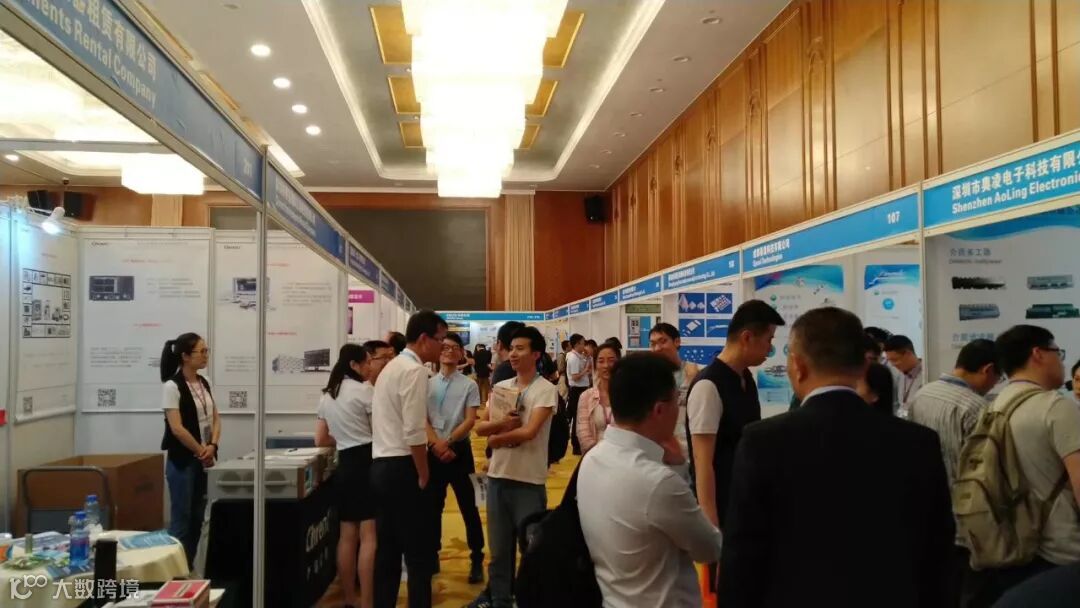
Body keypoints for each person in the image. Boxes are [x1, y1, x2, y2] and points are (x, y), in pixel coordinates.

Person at [720, 307, 954, 607]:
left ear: (798, 366)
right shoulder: (918, 443)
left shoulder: (762, 442)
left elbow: (742, 558)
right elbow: (938, 555)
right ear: (862, 366)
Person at [578, 353, 723, 607]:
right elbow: (709, 548)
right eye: (677, 401)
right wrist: (680, 468)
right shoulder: (658, 481)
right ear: (659, 410)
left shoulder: (592, 460)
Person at [962, 325, 1080, 607]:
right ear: (1038, 354)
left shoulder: (992, 407)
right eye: (1058, 353)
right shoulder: (1056, 407)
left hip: (1010, 547)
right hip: (1060, 552)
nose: (1061, 362)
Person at [467, 326, 557, 608]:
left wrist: (497, 438)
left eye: (521, 349)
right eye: (512, 348)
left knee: (530, 550)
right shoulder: (501, 387)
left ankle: (529, 599)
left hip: (529, 480)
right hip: (497, 477)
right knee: (498, 551)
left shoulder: (545, 390)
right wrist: (502, 426)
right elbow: (480, 428)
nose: (514, 354)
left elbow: (530, 431)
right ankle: (500, 600)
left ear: (536, 354)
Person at [907, 338, 1000, 607]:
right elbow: (986, 472)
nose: (995, 385)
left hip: (929, 513)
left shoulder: (923, 394)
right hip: (966, 523)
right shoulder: (976, 408)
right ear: (987, 370)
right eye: (998, 377)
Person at [371, 311, 447, 608]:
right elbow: (414, 430)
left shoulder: (391, 367)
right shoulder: (415, 371)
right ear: (425, 339)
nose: (443, 347)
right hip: (404, 467)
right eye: (440, 340)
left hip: (381, 465)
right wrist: (423, 472)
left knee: (387, 553)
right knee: (419, 555)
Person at [687, 300, 784, 529]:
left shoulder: (746, 378)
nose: (770, 349)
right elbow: (703, 465)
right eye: (768, 340)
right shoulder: (708, 386)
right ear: (747, 337)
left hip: (745, 503)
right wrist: (712, 528)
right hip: (722, 510)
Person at [315, 344, 378, 608]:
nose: (370, 367)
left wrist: (343, 437)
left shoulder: (328, 395)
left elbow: (320, 439)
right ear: (354, 364)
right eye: (367, 362)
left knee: (346, 535)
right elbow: (378, 431)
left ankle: (349, 599)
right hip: (367, 463)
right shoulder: (365, 391)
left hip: (344, 465)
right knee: (369, 536)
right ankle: (368, 601)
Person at [425, 332, 485, 584]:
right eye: (445, 346)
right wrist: (436, 444)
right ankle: (432, 556)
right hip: (433, 452)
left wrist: (447, 442)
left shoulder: (469, 385)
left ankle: (477, 558)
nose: (449, 351)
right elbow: (422, 419)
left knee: (469, 507)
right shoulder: (426, 383)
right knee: (432, 508)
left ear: (462, 353)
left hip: (460, 452)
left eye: (454, 347)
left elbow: (470, 420)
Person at [159, 332, 220, 569]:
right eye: (201, 351)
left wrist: (212, 446)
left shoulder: (205, 382)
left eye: (207, 351)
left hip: (205, 458)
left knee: (198, 518)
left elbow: (216, 418)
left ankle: (189, 568)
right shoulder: (172, 386)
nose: (206, 356)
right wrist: (200, 450)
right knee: (181, 520)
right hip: (183, 461)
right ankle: (174, 574)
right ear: (185, 356)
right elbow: (177, 428)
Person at [649, 322, 700, 460]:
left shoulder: (693, 372)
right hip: (659, 451)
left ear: (677, 342)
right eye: (653, 344)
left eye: (663, 341)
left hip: (689, 449)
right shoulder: (649, 378)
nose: (657, 348)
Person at [576, 342, 621, 453]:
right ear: (595, 365)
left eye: (611, 360)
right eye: (601, 361)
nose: (606, 365)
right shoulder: (586, 396)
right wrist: (597, 457)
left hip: (622, 456)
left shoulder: (629, 396)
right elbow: (583, 432)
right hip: (593, 456)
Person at [565, 334, 593, 455]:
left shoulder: (579, 356)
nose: (584, 346)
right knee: (577, 418)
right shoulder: (573, 358)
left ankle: (578, 445)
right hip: (577, 390)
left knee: (580, 418)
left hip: (581, 389)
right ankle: (576, 446)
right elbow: (575, 377)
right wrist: (585, 371)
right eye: (583, 343)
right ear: (577, 344)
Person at [885, 334, 924, 414]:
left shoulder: (927, 374)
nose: (892, 364)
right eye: (890, 360)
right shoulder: (900, 374)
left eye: (895, 360)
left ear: (908, 354)